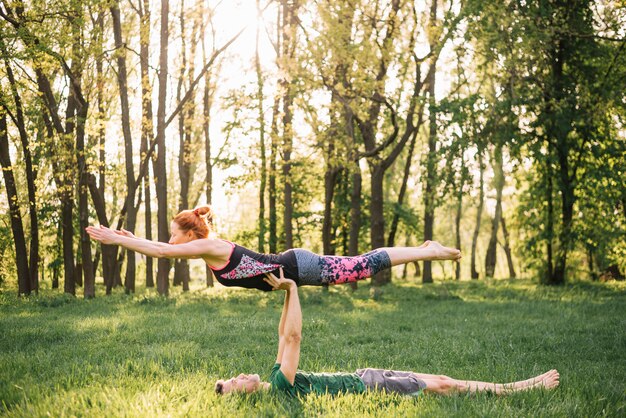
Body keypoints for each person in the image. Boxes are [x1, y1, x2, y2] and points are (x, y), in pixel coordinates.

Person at [215, 269, 560, 397]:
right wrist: (294, 286)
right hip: (368, 386)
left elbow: (281, 335)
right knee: (444, 385)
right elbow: (293, 339)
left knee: (442, 379)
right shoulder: (277, 388)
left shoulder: (273, 377)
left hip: (364, 376)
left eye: (234, 375)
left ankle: (519, 386)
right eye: (236, 382)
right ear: (245, 395)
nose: (241, 374)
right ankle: (520, 390)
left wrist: (289, 292)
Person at [86, 205, 462, 291]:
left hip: (300, 268)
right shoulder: (202, 247)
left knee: (362, 267)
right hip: (297, 264)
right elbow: (158, 246)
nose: (170, 240)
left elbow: (163, 252)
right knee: (360, 264)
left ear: (189, 235)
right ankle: (426, 248)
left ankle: (428, 250)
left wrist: (119, 240)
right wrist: (125, 237)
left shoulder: (209, 245)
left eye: (173, 233)